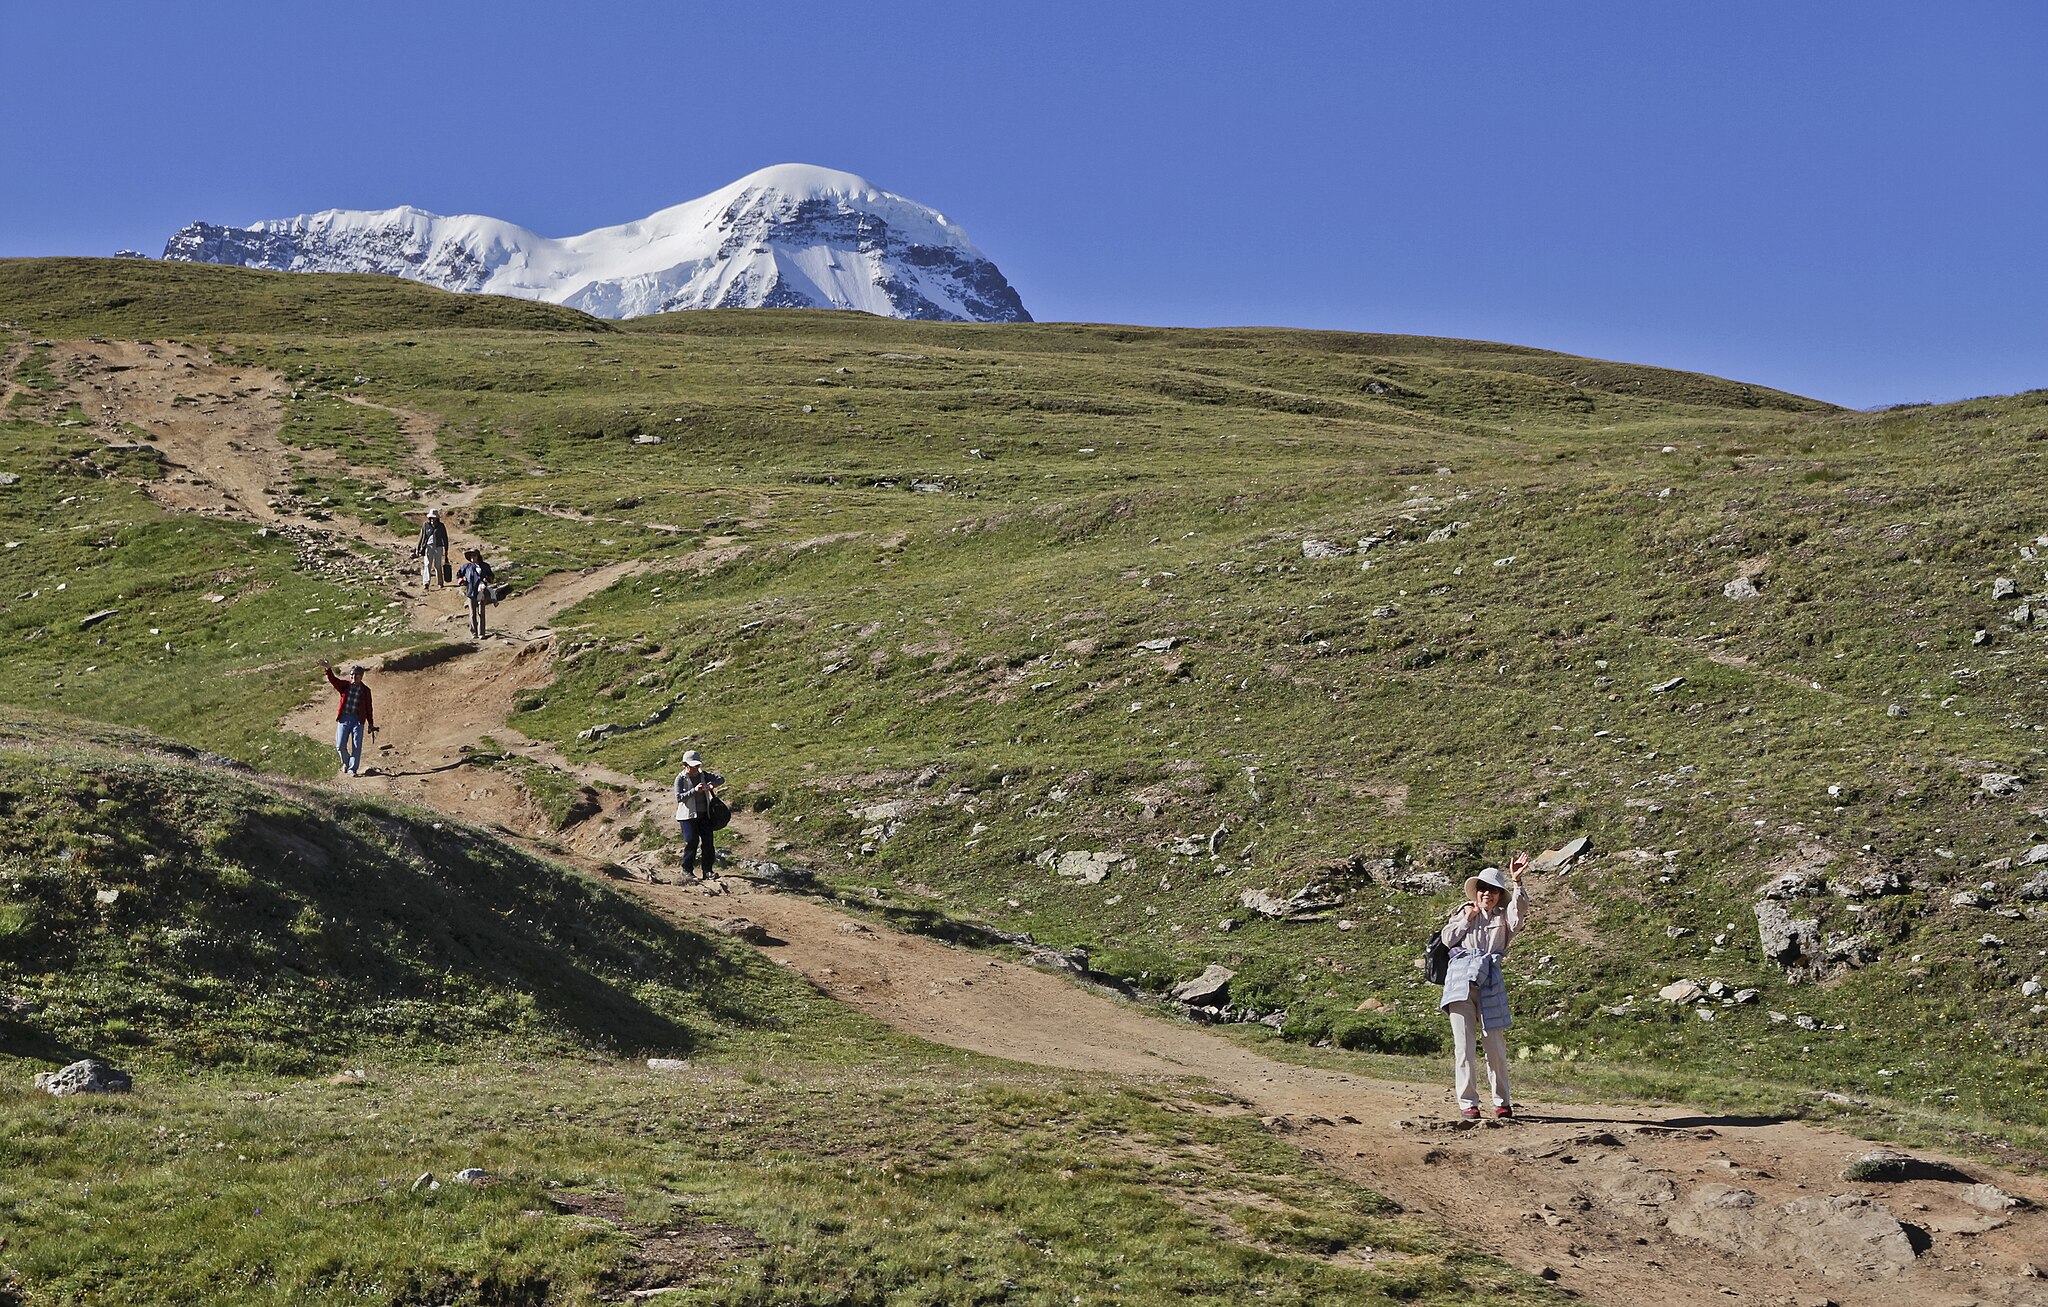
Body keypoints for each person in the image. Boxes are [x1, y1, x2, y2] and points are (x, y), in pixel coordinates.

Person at [1438, 850, 1531, 1119]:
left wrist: (1518, 881)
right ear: (1476, 891)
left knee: (1496, 1047)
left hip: (1490, 981)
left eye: (1492, 890)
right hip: (1460, 983)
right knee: (1464, 1047)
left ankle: (1502, 1102)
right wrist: (1467, 917)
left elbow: (1519, 913)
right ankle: (1469, 1103)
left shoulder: (1505, 917)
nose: (1486, 894)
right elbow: (1446, 940)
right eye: (1482, 889)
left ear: (1500, 895)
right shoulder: (1463, 912)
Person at [673, 750, 726, 879]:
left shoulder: (704, 775)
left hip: (704, 815)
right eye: (693, 766)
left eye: (697, 766)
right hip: (687, 817)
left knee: (708, 842)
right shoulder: (680, 778)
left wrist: (713, 784)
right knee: (692, 841)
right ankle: (687, 870)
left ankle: (707, 871)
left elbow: (720, 779)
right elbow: (679, 797)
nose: (696, 768)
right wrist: (694, 791)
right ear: (685, 765)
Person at [321, 659, 377, 777]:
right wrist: (328, 669)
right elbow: (334, 681)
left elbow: (368, 708)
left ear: (361, 676)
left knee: (356, 747)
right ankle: (346, 763)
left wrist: (370, 724)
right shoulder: (345, 686)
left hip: (358, 720)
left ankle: (353, 769)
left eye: (355, 675)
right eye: (351, 674)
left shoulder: (365, 691)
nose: (353, 677)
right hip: (344, 718)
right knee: (340, 745)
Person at [455, 548, 495, 639]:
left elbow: (491, 576)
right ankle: (474, 633)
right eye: (471, 556)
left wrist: (488, 579)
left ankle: (482, 633)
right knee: (472, 613)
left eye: (474, 555)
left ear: (478, 556)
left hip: (481, 591)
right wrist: (461, 581)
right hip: (471, 591)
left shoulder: (485, 566)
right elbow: (459, 574)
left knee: (481, 612)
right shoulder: (466, 567)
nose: (473, 557)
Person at [414, 509, 449, 589]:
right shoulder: (425, 525)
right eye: (431, 517)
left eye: (434, 518)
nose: (433, 519)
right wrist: (418, 548)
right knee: (427, 564)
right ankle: (426, 583)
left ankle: (440, 582)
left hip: (438, 547)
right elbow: (422, 536)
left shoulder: (441, 526)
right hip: (428, 547)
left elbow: (445, 538)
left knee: (438, 565)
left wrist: (446, 549)